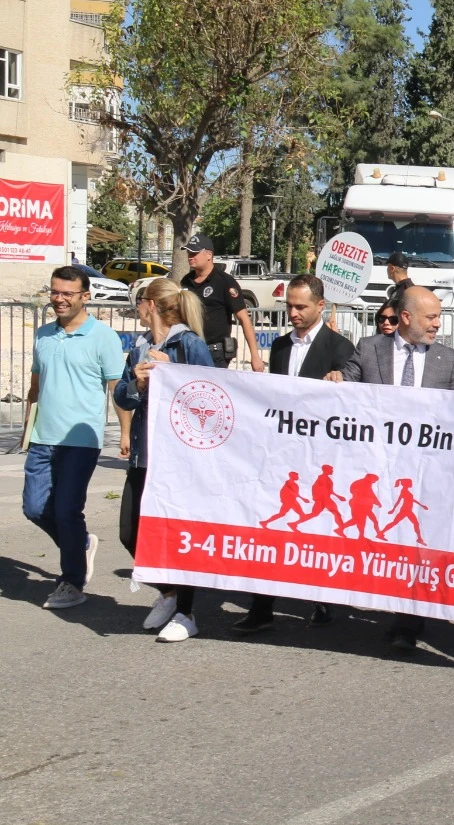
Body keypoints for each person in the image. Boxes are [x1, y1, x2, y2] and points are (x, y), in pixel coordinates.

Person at [326, 286, 454, 653]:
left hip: (421, 472)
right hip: (374, 466)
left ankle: (407, 621)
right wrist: (338, 380)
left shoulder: (447, 360)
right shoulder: (370, 349)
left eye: (438, 316)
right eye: (431, 317)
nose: (438, 323)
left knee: (413, 545)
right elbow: (349, 384)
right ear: (406, 318)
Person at [233, 274, 354, 634]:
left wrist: (340, 382)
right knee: (270, 527)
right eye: (289, 305)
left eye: (301, 306)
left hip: (322, 455)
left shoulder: (340, 348)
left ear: (320, 305)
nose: (293, 313)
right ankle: (262, 606)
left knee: (319, 529)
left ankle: (322, 597)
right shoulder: (282, 346)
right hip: (282, 452)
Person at [109, 278, 213, 640]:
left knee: (179, 537)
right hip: (143, 454)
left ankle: (187, 613)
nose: (135, 308)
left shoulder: (189, 344)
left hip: (178, 459)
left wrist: (174, 374)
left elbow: (211, 396)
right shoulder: (139, 345)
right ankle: (168, 593)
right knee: (130, 532)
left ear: (151, 305)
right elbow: (121, 397)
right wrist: (136, 385)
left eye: (138, 301)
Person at [25, 266, 127, 610]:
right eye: (55, 292)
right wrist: (27, 426)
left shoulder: (103, 337)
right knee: (34, 508)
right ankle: (81, 544)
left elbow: (118, 389)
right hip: (42, 438)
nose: (59, 299)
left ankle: (71, 580)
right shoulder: (42, 335)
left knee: (67, 509)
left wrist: (125, 432)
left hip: (81, 441)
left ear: (86, 296)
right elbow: (36, 385)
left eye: (68, 293)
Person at [179, 233, 266, 372]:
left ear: (209, 255)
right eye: (189, 252)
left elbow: (244, 319)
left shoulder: (224, 281)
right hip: (188, 350)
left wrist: (255, 356)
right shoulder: (185, 282)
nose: (190, 256)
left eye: (194, 252)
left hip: (214, 354)